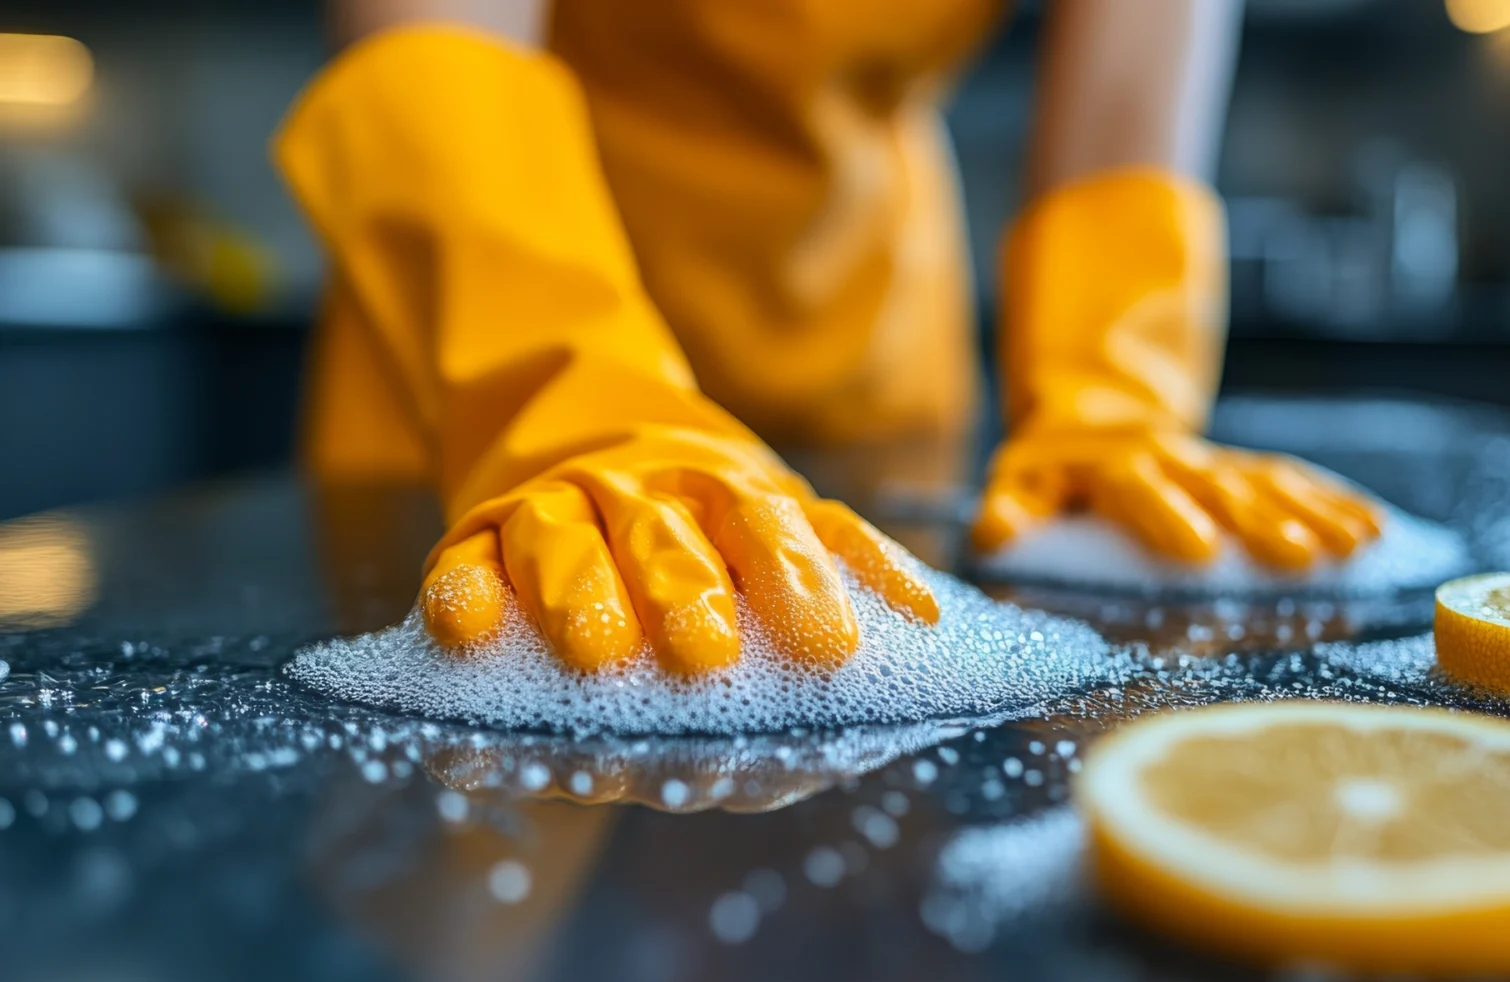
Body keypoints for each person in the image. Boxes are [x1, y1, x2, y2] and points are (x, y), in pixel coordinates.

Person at [276, 0, 1382, 677]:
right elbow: (438, 35)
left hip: (864, 346)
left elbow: (1122, 114)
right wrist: (561, 387)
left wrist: (1115, 391)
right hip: (492, 312)